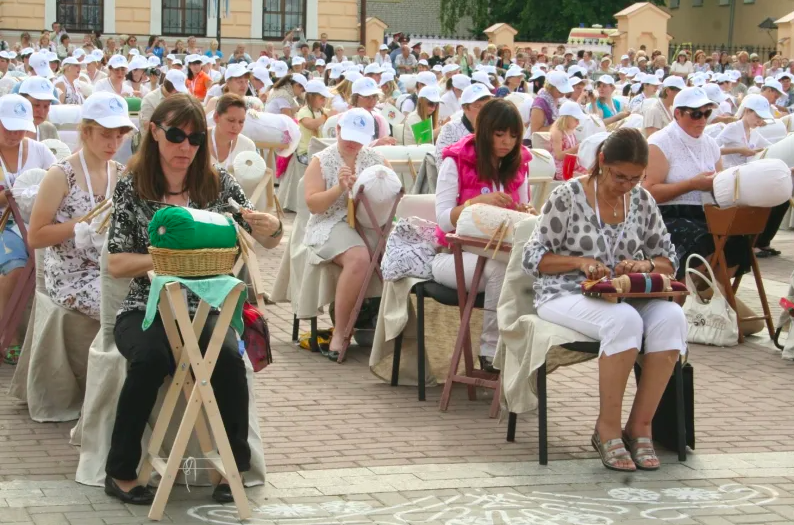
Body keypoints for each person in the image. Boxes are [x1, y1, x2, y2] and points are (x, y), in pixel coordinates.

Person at [104, 93, 280, 504]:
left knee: (229, 362)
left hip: (207, 308)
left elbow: (265, 239)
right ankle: (121, 471)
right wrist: (169, 260)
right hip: (146, 305)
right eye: (176, 135)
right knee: (149, 359)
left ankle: (233, 468)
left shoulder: (217, 183)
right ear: (155, 132)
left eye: (195, 138)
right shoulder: (133, 185)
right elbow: (116, 263)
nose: (186, 146)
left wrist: (271, 226)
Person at [524, 127, 684, 472]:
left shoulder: (642, 200)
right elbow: (534, 257)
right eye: (619, 176)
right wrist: (579, 263)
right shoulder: (567, 195)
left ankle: (640, 426)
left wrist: (644, 264)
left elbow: (668, 259)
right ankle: (606, 428)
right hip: (563, 291)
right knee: (624, 321)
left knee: (673, 319)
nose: (626, 185)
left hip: (621, 291)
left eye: (635, 178)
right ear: (601, 162)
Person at [433, 99, 533, 372]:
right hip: (452, 256)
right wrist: (475, 203)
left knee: (522, 264)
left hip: (496, 256)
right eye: (499, 134)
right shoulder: (455, 161)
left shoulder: (518, 166)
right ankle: (492, 349)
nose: (507, 142)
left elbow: (522, 212)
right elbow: (442, 219)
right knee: (505, 266)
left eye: (513, 135)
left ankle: (518, 345)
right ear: (485, 131)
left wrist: (525, 210)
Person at [27, 93, 133, 320]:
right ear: (86, 132)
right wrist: (80, 224)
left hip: (110, 269)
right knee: (130, 312)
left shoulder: (120, 173)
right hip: (72, 277)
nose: (113, 144)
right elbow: (35, 237)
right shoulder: (60, 175)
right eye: (105, 135)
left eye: (119, 136)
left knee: (158, 301)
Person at [302, 109, 392, 360]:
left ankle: (397, 332)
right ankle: (341, 332)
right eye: (348, 135)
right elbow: (313, 205)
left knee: (401, 251)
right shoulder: (322, 160)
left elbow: (394, 193)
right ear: (338, 130)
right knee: (359, 257)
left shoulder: (376, 159)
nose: (353, 143)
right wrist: (339, 188)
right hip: (330, 221)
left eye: (359, 137)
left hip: (369, 222)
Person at [644, 87, 747, 279]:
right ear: (677, 113)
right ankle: (693, 294)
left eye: (707, 113)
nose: (702, 119)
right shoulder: (660, 142)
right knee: (702, 240)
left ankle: (712, 295)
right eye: (695, 114)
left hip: (706, 212)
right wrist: (691, 184)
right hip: (668, 214)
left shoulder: (710, 144)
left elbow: (721, 184)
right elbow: (649, 191)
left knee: (738, 241)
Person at [0, 95, 58, 364]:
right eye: (7, 127)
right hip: (5, 225)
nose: (14, 134)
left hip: (38, 223)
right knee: (16, 269)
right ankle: (8, 336)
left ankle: (46, 342)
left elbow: (61, 185)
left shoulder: (40, 151)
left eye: (19, 128)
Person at [435, 83, 492, 158]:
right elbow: (441, 159)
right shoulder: (450, 129)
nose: (484, 111)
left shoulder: (495, 127)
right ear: (465, 108)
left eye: (488, 106)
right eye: (478, 106)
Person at [208, 93, 257, 172]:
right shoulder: (198, 140)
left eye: (241, 122)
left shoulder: (247, 146)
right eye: (231, 120)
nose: (236, 127)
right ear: (216, 117)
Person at [350, 77, 394, 146]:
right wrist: (376, 143)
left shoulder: (380, 118)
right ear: (355, 98)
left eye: (374, 96)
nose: (371, 101)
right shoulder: (346, 119)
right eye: (366, 97)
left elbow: (386, 147)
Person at [550, 101, 588, 181]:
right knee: (584, 179)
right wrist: (576, 148)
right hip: (562, 168)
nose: (578, 122)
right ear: (566, 118)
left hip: (573, 164)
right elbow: (559, 156)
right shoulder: (557, 131)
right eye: (576, 119)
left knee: (591, 174)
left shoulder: (571, 130)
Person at [296, 80, 331, 164]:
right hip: (305, 152)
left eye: (325, 98)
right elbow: (311, 124)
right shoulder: (304, 111)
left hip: (319, 150)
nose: (324, 100)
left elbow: (334, 113)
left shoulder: (322, 111)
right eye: (321, 98)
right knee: (324, 163)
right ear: (311, 98)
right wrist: (327, 116)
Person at [19, 77, 60, 141]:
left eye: (46, 106)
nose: (41, 111)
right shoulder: (5, 132)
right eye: (36, 105)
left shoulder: (49, 130)